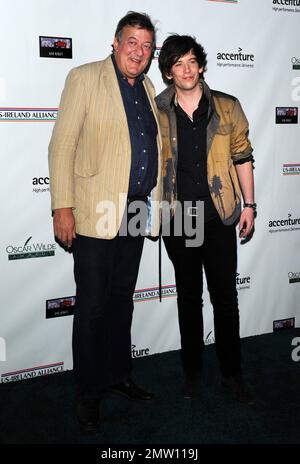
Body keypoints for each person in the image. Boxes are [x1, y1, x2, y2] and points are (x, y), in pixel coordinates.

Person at [48, 11, 162, 434]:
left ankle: (117, 374)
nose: (139, 51)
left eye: (146, 45)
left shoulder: (149, 86)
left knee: (121, 299)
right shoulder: (85, 77)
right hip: (94, 210)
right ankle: (88, 392)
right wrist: (62, 205)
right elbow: (62, 144)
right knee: (93, 305)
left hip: (135, 209)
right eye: (132, 41)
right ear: (116, 43)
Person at [156, 35, 255, 403]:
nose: (186, 69)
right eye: (178, 64)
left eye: (192, 61)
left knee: (225, 299)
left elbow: (243, 156)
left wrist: (250, 205)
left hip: (218, 217)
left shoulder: (227, 107)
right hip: (179, 218)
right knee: (188, 299)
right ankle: (192, 373)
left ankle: (232, 374)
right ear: (168, 72)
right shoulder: (158, 110)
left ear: (201, 65)